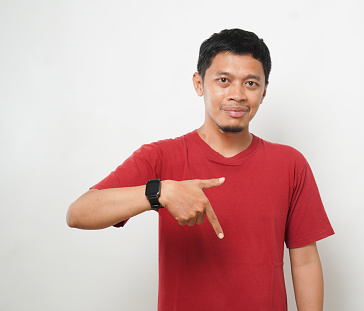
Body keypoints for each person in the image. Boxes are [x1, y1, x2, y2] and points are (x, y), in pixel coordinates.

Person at [67, 28, 334, 311]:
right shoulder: (161, 156)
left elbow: (304, 260)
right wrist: (160, 192)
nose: (237, 94)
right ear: (199, 84)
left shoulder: (290, 164)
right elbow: (79, 212)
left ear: (264, 91)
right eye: (223, 80)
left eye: (251, 84)